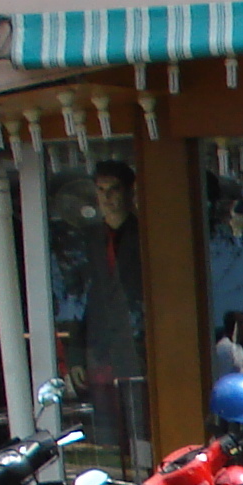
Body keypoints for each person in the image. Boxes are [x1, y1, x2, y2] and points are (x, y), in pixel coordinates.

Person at [72, 159, 148, 460]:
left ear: (130, 192)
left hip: (138, 345)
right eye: (101, 190)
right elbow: (79, 299)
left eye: (114, 189)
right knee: (107, 435)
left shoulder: (146, 235)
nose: (107, 197)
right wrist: (76, 354)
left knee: (141, 425)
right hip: (101, 348)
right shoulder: (89, 239)